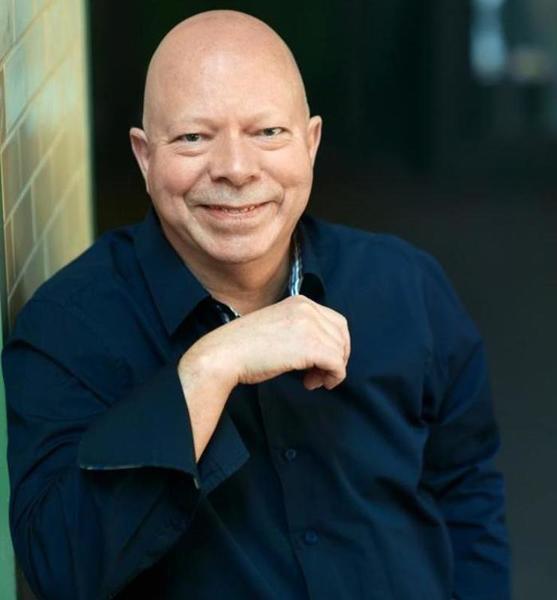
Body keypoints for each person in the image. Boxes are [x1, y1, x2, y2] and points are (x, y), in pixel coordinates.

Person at [2, 9, 510, 600]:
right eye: (193, 138)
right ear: (144, 156)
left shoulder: (406, 287)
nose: (236, 170)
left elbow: (467, 488)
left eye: (267, 133)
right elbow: (60, 569)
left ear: (310, 143)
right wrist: (209, 369)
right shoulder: (68, 327)